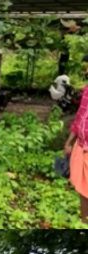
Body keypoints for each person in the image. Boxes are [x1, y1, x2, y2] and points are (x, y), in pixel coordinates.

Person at [63, 55, 88, 222]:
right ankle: (84, 219)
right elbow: (80, 116)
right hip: (80, 144)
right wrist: (69, 141)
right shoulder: (87, 90)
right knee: (81, 187)